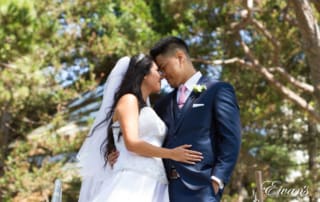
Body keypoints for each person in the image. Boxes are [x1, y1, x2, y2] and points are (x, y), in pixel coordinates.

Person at [109, 37, 242, 202]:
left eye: (164, 68)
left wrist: (217, 180)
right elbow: (139, 134)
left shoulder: (218, 90)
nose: (163, 76)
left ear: (180, 57)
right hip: (162, 191)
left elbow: (231, 138)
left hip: (201, 189)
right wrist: (115, 152)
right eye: (160, 71)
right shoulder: (162, 104)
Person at [77, 54, 203, 202]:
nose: (161, 76)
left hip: (155, 182)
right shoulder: (128, 100)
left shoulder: (148, 108)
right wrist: (172, 154)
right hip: (133, 180)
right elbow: (132, 143)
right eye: (157, 71)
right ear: (144, 74)